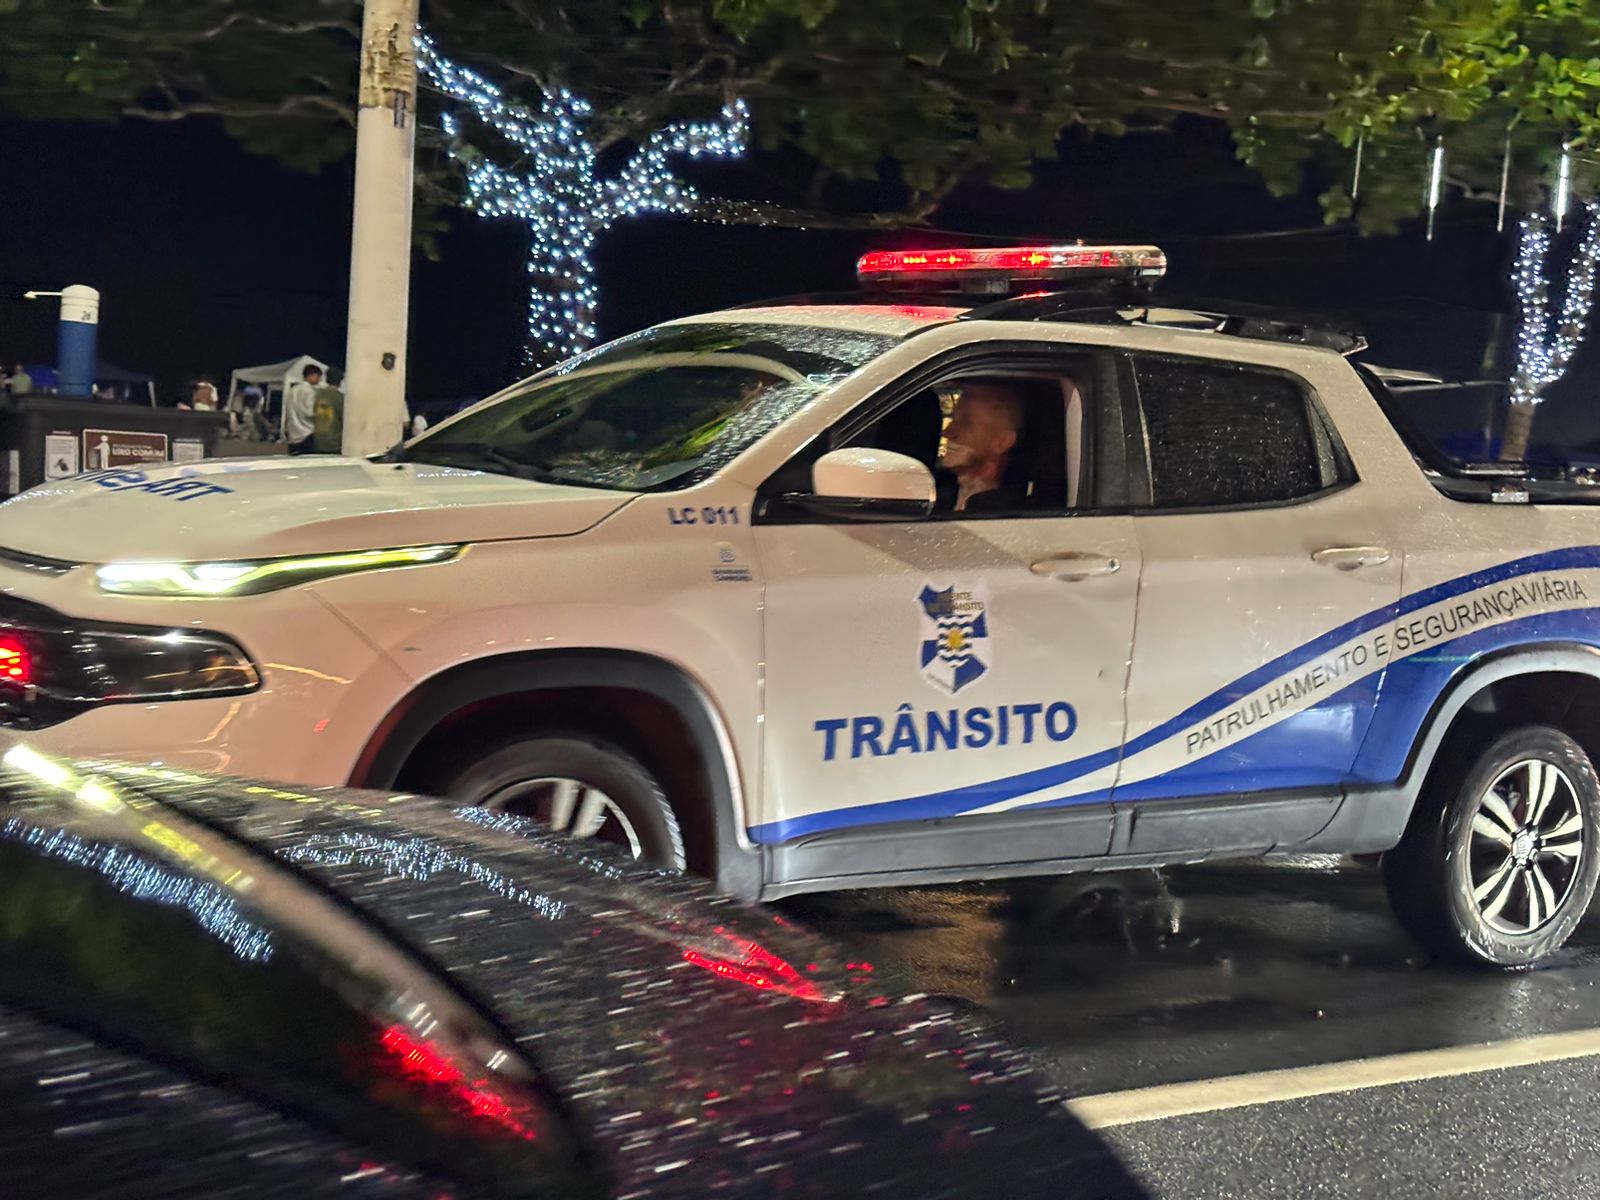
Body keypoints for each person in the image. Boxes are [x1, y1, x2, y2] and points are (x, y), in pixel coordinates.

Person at [937, 380, 1025, 513]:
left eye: (965, 423)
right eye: (953, 419)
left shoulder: (1009, 514)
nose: (947, 432)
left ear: (1001, 441)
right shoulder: (937, 496)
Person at [284, 364, 322, 455]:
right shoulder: (310, 392)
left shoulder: (292, 390)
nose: (319, 380)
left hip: (293, 434)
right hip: (307, 433)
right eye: (318, 376)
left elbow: (287, 411)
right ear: (311, 375)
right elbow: (310, 413)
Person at [311, 368, 345, 454]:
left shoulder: (318, 395)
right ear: (340, 380)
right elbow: (344, 420)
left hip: (318, 439)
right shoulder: (340, 398)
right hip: (334, 441)